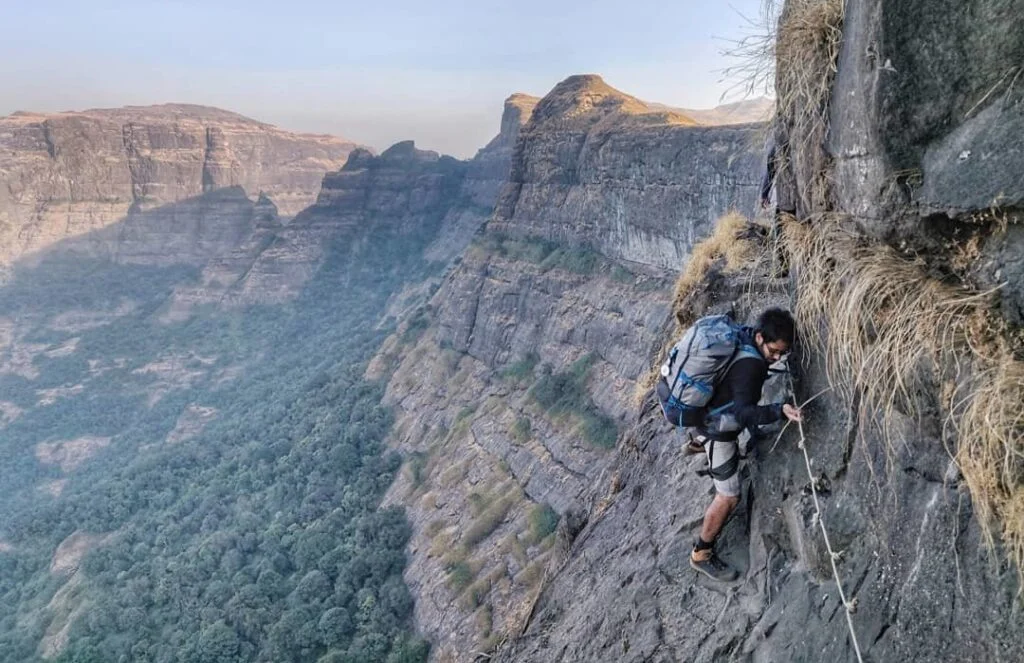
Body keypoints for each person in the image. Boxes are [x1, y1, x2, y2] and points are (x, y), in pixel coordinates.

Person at [688, 308, 802, 581]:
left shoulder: (743, 337)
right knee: (728, 496)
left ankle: (698, 441)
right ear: (761, 337)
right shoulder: (751, 366)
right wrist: (779, 410)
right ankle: (701, 554)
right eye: (774, 351)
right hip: (718, 431)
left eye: (781, 354)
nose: (776, 358)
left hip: (707, 412)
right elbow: (742, 413)